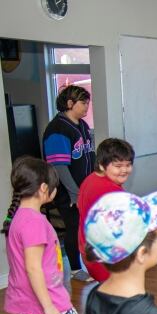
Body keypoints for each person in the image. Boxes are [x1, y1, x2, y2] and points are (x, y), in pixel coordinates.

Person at [2, 157, 82, 314]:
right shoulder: (35, 222)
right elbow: (33, 268)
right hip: (47, 300)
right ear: (44, 189)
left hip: (26, 300)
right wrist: (49, 307)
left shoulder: (19, 217)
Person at [42, 85, 95, 280]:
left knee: (85, 226)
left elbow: (90, 154)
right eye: (83, 103)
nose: (86, 107)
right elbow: (59, 167)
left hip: (84, 188)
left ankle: (90, 262)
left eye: (88, 103)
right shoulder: (57, 130)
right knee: (73, 227)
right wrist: (75, 193)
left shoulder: (82, 125)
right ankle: (74, 269)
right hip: (68, 192)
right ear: (70, 103)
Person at [77, 138, 135, 283]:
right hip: (105, 258)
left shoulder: (91, 179)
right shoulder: (110, 191)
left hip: (89, 252)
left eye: (128, 165)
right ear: (102, 165)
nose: (124, 170)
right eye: (118, 166)